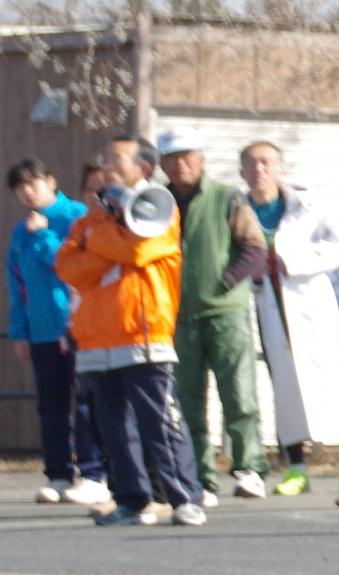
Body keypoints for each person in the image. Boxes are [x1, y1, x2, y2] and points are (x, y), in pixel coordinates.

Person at [57, 137, 202, 525]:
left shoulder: (161, 211)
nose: (106, 165)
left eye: (116, 159)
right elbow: (69, 268)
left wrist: (99, 246)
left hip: (143, 335)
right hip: (96, 339)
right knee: (114, 428)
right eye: (103, 159)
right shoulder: (88, 221)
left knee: (161, 422)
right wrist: (109, 243)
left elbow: (139, 251)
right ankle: (131, 499)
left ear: (142, 168)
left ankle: (184, 497)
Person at [240, 142, 339, 496]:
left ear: (281, 168)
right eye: (251, 164)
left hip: (313, 300)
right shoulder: (239, 210)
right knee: (285, 382)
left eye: (266, 162)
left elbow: (338, 247)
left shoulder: (308, 204)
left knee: (335, 376)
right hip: (267, 302)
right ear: (242, 172)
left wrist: (289, 258)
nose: (259, 170)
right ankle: (295, 467)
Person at [157, 130, 270, 501]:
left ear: (201, 159)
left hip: (226, 312)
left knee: (238, 393)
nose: (180, 164)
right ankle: (200, 475)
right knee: (186, 399)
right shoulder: (158, 202)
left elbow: (255, 248)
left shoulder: (226, 197)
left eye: (187, 156)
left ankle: (249, 467)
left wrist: (226, 281)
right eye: (172, 158)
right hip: (178, 316)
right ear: (162, 164)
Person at [10, 159, 107, 507]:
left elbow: (75, 267)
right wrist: (19, 330)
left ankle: (94, 474)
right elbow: (17, 283)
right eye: (20, 187)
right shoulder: (22, 230)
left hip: (79, 325)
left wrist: (44, 236)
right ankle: (58, 474)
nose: (27, 191)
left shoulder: (76, 215)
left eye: (33, 183)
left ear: (51, 181)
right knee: (51, 405)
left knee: (84, 403)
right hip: (41, 330)